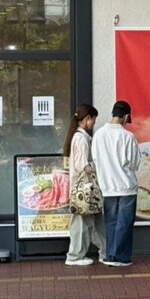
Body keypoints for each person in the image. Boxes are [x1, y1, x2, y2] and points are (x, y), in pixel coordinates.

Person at [91, 100, 140, 267]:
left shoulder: (98, 134)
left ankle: (110, 254)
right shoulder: (128, 136)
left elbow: (95, 159)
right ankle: (120, 257)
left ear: (113, 114)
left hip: (107, 185)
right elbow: (134, 163)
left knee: (110, 222)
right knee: (125, 223)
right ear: (126, 117)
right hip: (126, 186)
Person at [63, 103, 106, 266]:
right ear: (88, 118)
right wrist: (98, 167)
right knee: (83, 224)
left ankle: (104, 252)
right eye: (93, 119)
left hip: (81, 189)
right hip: (85, 189)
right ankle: (75, 256)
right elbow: (83, 166)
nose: (94, 123)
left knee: (92, 222)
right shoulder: (81, 139)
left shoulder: (77, 137)